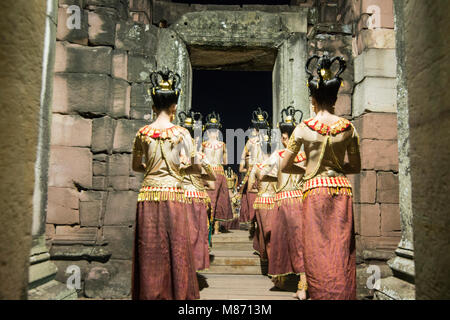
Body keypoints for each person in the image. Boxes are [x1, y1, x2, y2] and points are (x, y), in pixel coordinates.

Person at [281, 53, 361, 300]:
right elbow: (356, 166)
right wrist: (336, 169)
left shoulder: (303, 128)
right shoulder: (348, 128)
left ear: (312, 99)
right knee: (341, 248)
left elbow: (285, 165)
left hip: (314, 189)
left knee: (316, 249)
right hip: (341, 188)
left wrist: (307, 170)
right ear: (335, 98)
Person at [131, 68, 201, 300]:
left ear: (153, 106)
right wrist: (181, 169)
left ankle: (150, 294)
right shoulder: (182, 133)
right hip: (173, 193)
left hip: (148, 193)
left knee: (149, 248)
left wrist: (151, 170)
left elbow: (136, 166)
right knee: (177, 247)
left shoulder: (143, 133)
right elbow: (196, 167)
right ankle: (178, 295)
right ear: (174, 107)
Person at [260, 106, 308, 300]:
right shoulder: (305, 156)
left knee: (280, 242)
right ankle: (302, 284)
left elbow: (263, 176)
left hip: (282, 201)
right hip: (301, 201)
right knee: (300, 242)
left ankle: (282, 280)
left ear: (283, 137)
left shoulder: (278, 156)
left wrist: (278, 181)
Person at [178, 110, 215, 273]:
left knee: (180, 234)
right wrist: (199, 175)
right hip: (197, 197)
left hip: (179, 197)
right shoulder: (200, 156)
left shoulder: (176, 155)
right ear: (197, 139)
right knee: (196, 234)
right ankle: (192, 268)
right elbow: (212, 177)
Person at [202, 112, 233, 234]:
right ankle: (215, 229)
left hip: (208, 172)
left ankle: (206, 226)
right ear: (217, 132)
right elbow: (226, 162)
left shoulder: (203, 145)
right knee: (219, 200)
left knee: (208, 199)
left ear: (208, 132)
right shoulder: (222, 145)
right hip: (219, 172)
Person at [249, 133, 278, 265]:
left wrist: (260, 190)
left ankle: (267, 260)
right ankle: (275, 264)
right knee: (275, 233)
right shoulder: (279, 165)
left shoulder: (257, 167)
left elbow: (250, 188)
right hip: (277, 201)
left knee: (264, 232)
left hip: (262, 201)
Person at [238, 108, 269, 228]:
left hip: (262, 170)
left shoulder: (267, 141)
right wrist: (247, 165)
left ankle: (259, 223)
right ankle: (254, 222)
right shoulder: (251, 141)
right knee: (253, 196)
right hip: (255, 170)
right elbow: (242, 157)